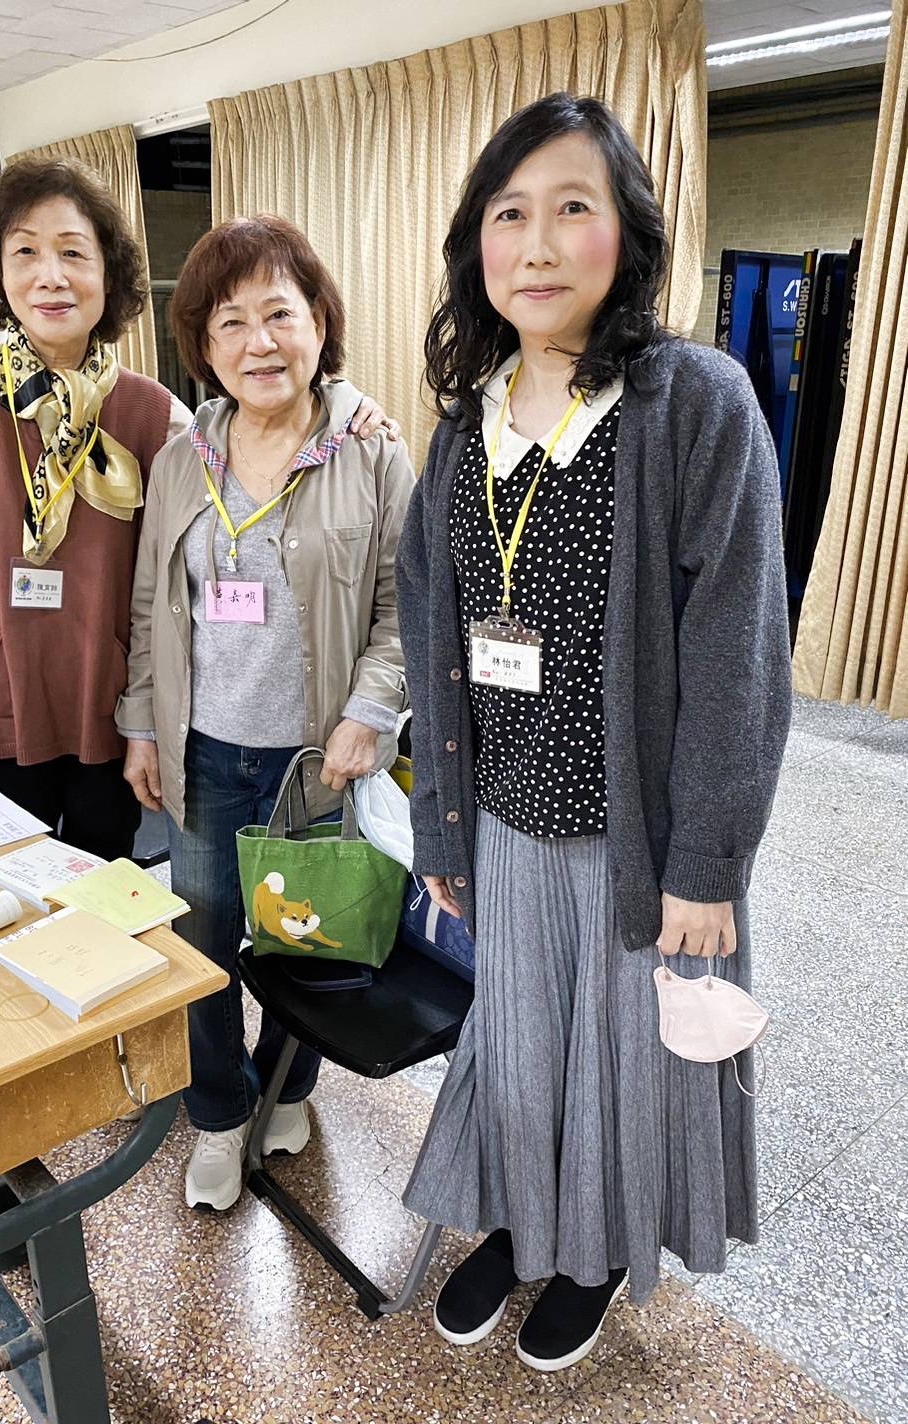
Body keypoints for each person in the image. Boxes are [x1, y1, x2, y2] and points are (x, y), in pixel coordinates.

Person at [396, 94, 791, 1372]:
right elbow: (434, 630)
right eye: (509, 213)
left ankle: (598, 1247)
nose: (539, 242)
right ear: (477, 244)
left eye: (574, 206)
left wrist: (707, 865)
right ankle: (523, 1220)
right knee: (519, 1053)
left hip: (644, 840)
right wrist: (440, 827)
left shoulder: (692, 402)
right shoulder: (464, 425)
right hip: (506, 823)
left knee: (625, 1066)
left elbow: (739, 652)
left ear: (627, 234)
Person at [0, 160, 391, 859]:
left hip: (107, 712)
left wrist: (344, 404)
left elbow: (254, 425)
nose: (50, 276)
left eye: (73, 253)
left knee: (106, 894)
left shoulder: (156, 416)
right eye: (24, 252)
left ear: (108, 274)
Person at [118, 215, 414, 1212]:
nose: (260, 342)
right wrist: (141, 725)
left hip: (318, 759)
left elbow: (406, 608)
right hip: (203, 750)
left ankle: (287, 1088)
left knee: (301, 936)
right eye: (231, 322)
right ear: (203, 346)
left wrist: (370, 710)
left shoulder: (372, 453)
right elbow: (151, 607)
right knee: (202, 941)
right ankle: (216, 1112)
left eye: (280, 314)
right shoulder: (180, 460)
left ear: (320, 323)